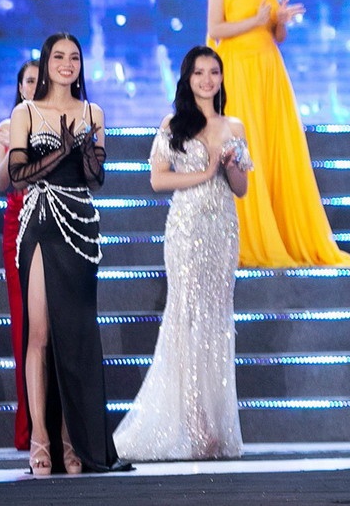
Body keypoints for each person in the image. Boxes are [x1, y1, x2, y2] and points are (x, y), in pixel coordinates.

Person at [209, 0, 350, 268]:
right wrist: (256, 19)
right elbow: (216, 29)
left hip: (269, 70)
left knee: (272, 148)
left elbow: (277, 36)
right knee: (244, 146)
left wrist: (279, 22)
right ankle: (245, 236)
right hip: (236, 69)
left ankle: (278, 232)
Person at [115, 47, 250, 460]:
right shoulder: (172, 125)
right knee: (187, 318)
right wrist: (205, 172)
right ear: (187, 79)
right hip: (187, 229)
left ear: (221, 78)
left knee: (216, 321)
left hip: (222, 229)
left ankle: (215, 424)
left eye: (214, 72)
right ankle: (194, 425)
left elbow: (241, 189)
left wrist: (230, 166)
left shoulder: (234, 125)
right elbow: (158, 179)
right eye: (199, 73)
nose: (207, 80)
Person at [4, 33, 123, 474]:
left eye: (74, 57)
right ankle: (40, 437)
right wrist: (61, 152)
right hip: (40, 222)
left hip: (80, 225)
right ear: (46, 62)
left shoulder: (93, 112)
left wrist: (86, 152)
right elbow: (18, 175)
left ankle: (72, 438)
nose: (67, 64)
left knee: (75, 334)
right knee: (39, 332)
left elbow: (96, 179)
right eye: (58, 56)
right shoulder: (26, 112)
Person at [0, 58, 41, 451]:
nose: (35, 86)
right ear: (20, 87)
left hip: (54, 221)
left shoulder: (59, 121)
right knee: (24, 324)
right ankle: (29, 427)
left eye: (40, 80)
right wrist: (10, 144)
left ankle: (58, 424)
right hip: (17, 225)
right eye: (29, 81)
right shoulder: (8, 126)